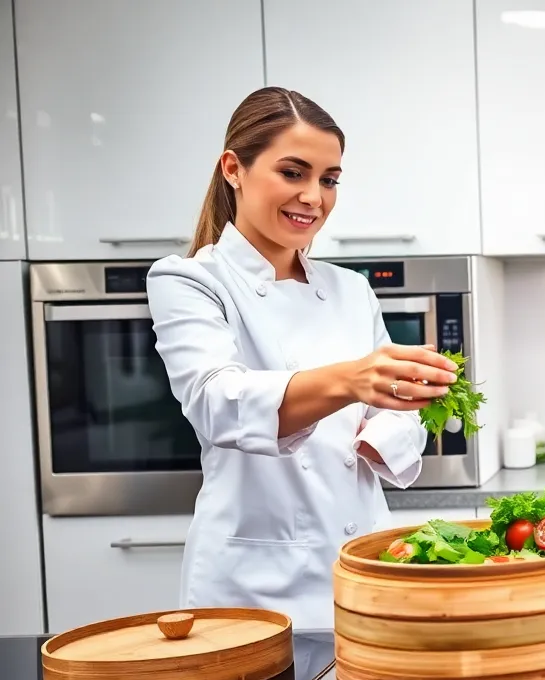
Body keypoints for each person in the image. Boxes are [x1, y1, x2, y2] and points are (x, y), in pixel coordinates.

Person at [147, 87, 459, 629]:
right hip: (251, 591)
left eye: (329, 179)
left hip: (364, 565)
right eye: (293, 173)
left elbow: (395, 410)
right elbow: (217, 402)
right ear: (233, 169)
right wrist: (355, 381)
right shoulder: (191, 280)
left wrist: (387, 419)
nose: (314, 197)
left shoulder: (350, 289)